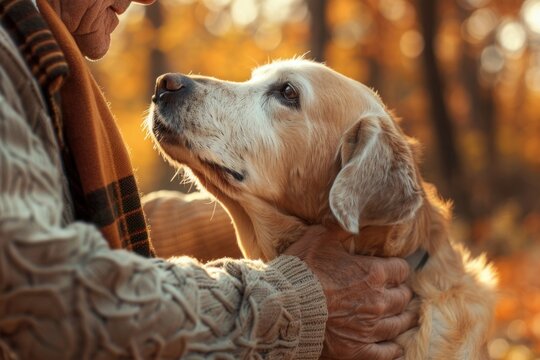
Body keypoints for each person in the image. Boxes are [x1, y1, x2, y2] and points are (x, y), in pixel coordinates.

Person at [0, 0, 417, 358]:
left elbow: (62, 226)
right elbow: (48, 295)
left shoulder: (25, 49)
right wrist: (293, 300)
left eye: (283, 95)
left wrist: (274, 221)